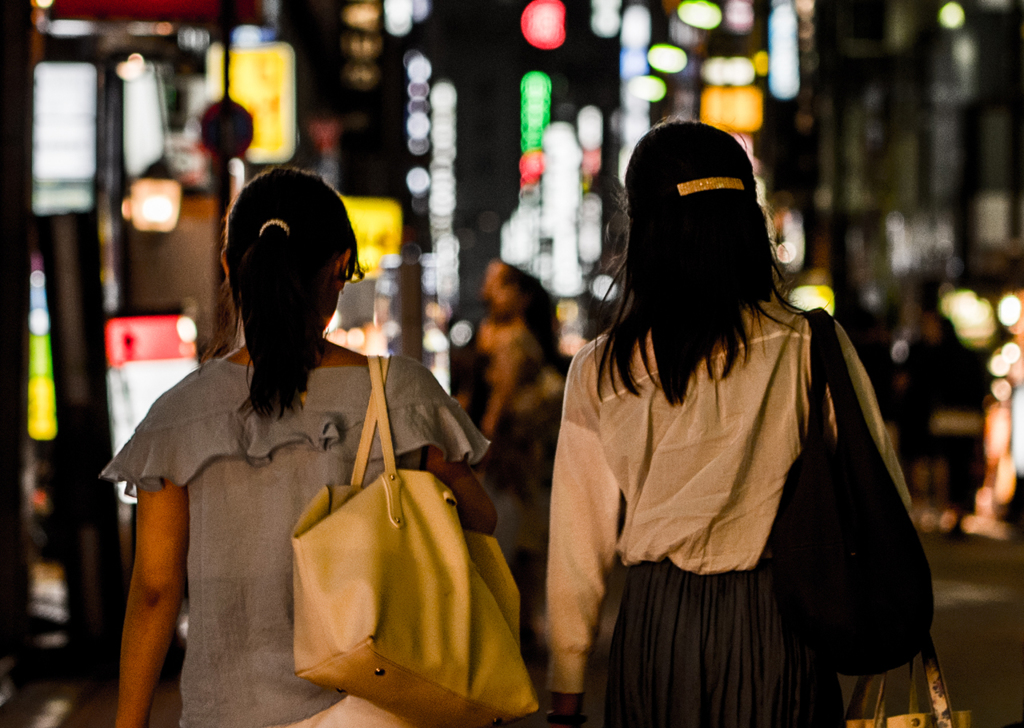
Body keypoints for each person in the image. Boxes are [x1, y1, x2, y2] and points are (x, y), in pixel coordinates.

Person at [545, 121, 909, 727]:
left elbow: (576, 549)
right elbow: (880, 494)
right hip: (780, 620)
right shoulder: (807, 345)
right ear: (748, 222)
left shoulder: (601, 369)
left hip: (654, 628)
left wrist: (567, 690)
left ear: (644, 231)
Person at [102, 168, 495, 728]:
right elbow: (481, 522)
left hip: (226, 711)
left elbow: (155, 592)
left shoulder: (178, 417)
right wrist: (444, 472)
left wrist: (128, 722)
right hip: (379, 706)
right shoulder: (401, 398)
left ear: (228, 268)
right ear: (339, 269)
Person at [474, 260, 566, 654]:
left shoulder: (512, 339)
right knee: (521, 539)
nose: (488, 289)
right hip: (521, 456)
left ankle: (518, 625)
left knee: (509, 538)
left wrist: (481, 446)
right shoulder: (497, 333)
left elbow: (499, 401)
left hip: (511, 457)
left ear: (519, 295)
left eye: (498, 283)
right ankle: (523, 624)